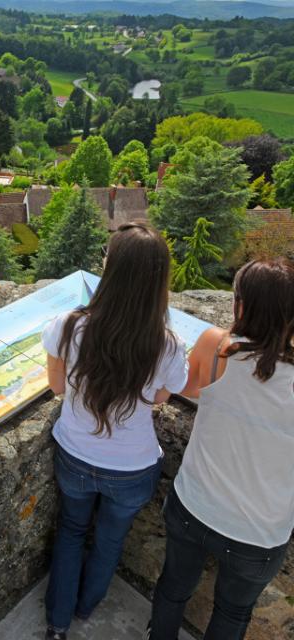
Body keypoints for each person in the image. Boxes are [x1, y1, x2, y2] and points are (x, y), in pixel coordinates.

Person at [42, 223, 188, 640]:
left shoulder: (69, 325)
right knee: (109, 541)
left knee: (71, 532)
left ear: (110, 268)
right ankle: (88, 608)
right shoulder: (167, 343)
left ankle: (57, 623)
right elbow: (162, 396)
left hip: (75, 454)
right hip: (132, 466)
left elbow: (56, 386)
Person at [149, 257, 294, 640]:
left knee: (173, 588)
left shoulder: (217, 346)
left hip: (195, 505)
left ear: (240, 305)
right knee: (232, 614)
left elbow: (189, 388)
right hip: (259, 532)